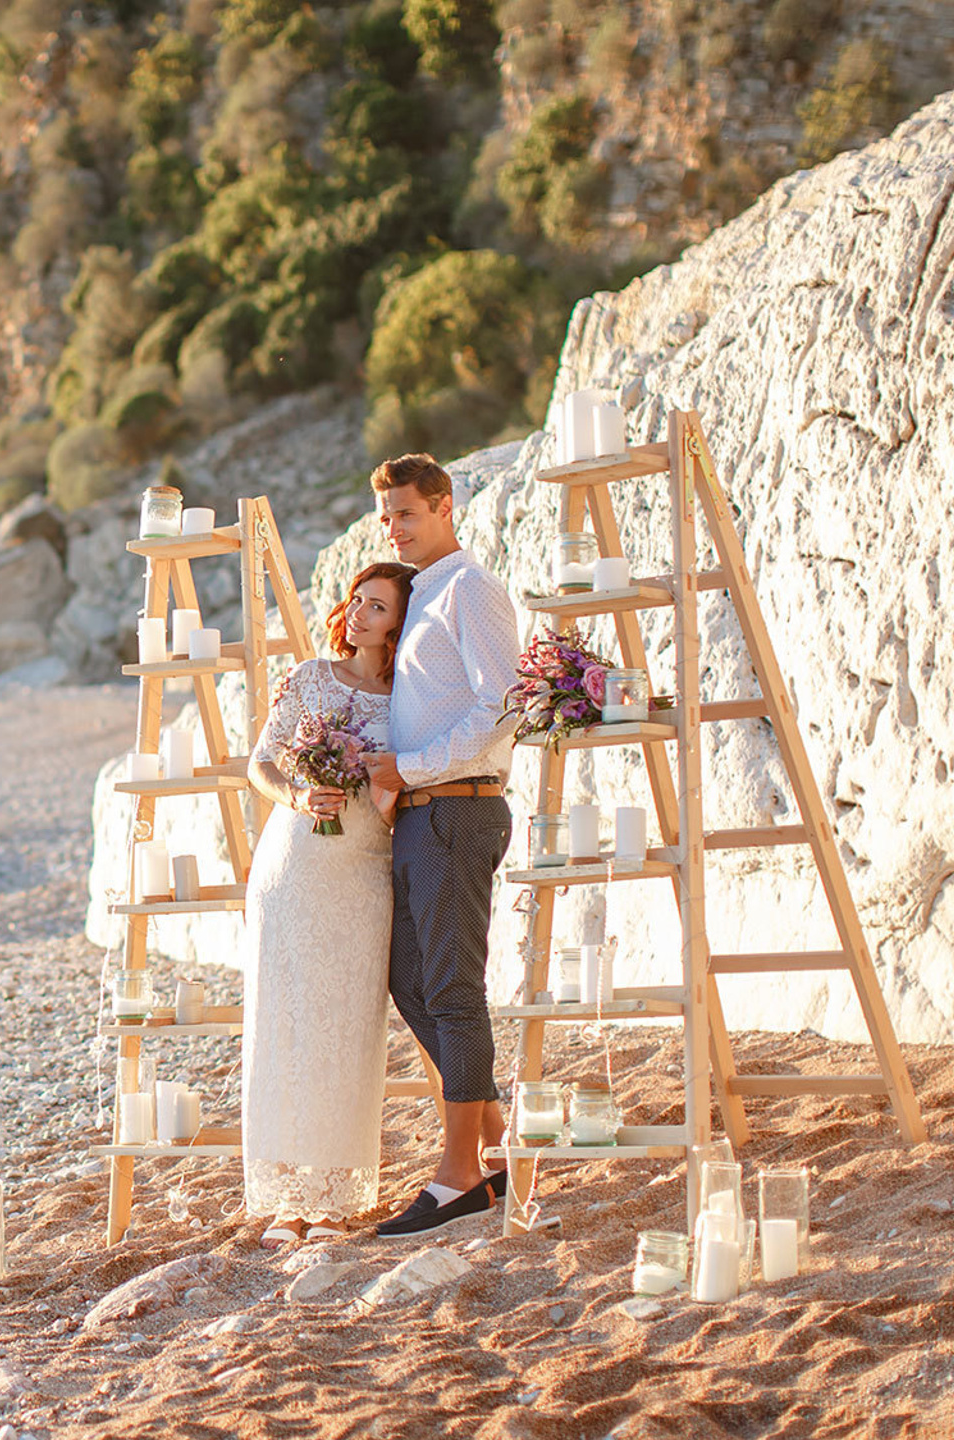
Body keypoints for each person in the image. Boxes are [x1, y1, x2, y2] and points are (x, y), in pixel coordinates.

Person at [357, 453, 523, 1239]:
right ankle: (497, 1145)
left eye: (407, 514)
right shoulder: (420, 593)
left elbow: (504, 708)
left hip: (459, 808)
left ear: (445, 506)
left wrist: (412, 767)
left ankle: (459, 1179)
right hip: (421, 814)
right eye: (386, 516)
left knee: (453, 991)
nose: (395, 527)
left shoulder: (472, 590)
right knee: (410, 981)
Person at [240, 562, 416, 1246]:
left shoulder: (408, 696)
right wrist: (297, 794)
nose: (359, 613)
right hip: (291, 867)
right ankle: (286, 1197)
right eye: (356, 600)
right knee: (284, 1024)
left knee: (345, 1028)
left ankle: (335, 1195)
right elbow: (260, 762)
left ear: (399, 626)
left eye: (377, 606)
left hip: (363, 875)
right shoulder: (311, 676)